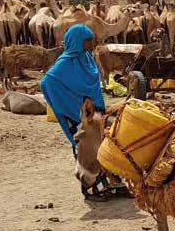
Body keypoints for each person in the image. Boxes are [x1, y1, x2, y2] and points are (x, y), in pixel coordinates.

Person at [40, 24, 125, 200]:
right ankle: (91, 191)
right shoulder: (65, 63)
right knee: (86, 152)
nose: (91, 43)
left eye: (91, 39)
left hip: (96, 113)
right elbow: (46, 83)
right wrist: (69, 105)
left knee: (105, 148)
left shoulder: (86, 59)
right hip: (78, 118)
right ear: (77, 42)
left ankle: (113, 186)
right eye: (87, 40)